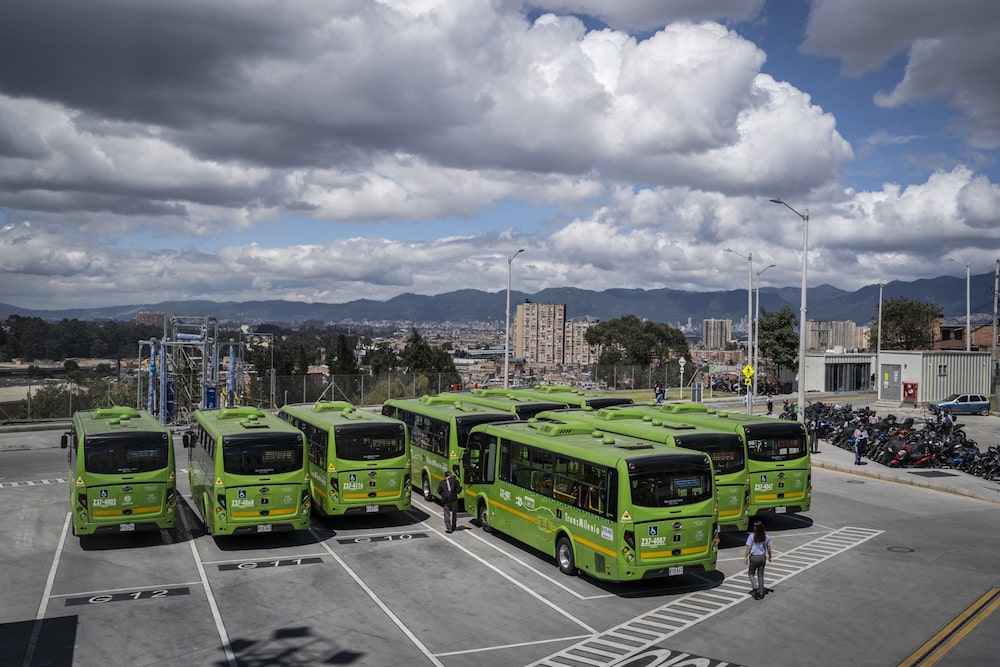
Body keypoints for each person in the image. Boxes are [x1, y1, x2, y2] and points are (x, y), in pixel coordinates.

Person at [744, 520, 773, 600]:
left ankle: (755, 587)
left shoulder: (751, 536)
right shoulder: (766, 537)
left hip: (754, 557)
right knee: (760, 575)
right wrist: (770, 557)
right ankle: (761, 593)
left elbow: (748, 548)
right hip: (762, 557)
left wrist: (745, 557)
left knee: (751, 573)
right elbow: (769, 549)